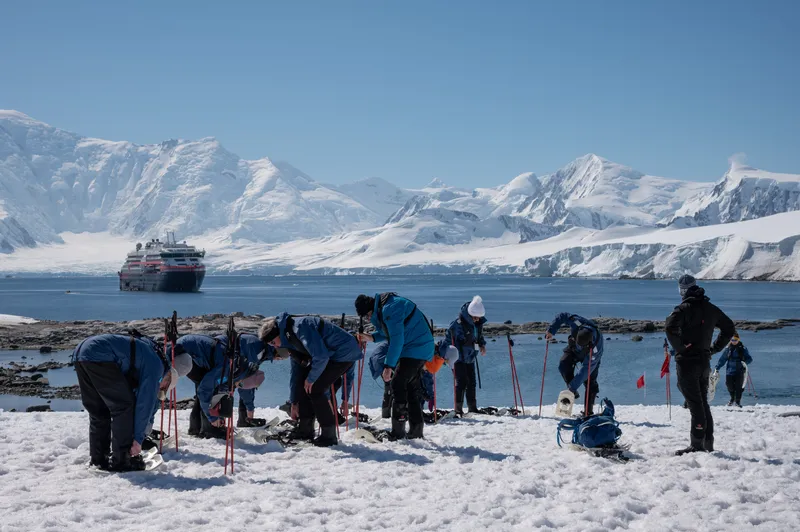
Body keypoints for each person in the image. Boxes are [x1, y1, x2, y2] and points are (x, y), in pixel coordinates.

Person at [73, 333, 192, 471]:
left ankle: (99, 459)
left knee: (99, 412)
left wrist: (140, 433)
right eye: (164, 386)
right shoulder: (156, 368)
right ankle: (122, 460)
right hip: (101, 355)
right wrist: (137, 440)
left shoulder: (153, 358)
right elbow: (144, 405)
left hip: (82, 353)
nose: (161, 388)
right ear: (168, 376)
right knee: (123, 407)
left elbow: (144, 401)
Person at [260, 312, 363, 447]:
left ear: (277, 333)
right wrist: (294, 402)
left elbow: (321, 357)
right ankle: (305, 429)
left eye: (273, 342)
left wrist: (312, 379)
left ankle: (329, 436)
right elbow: (296, 374)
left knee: (316, 389)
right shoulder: (289, 339)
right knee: (307, 386)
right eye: (271, 345)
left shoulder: (300, 327)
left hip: (343, 353)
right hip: (330, 355)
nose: (275, 347)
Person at [666, 274, 735, 455]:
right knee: (702, 402)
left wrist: (680, 348)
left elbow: (669, 328)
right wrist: (714, 349)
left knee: (695, 404)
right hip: (704, 361)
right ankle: (707, 442)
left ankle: (697, 445)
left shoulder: (683, 309)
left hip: (687, 362)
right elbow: (729, 328)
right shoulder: (710, 308)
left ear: (682, 290)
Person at [355, 292, 434, 440]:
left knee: (397, 384)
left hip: (416, 348)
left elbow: (397, 340)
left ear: (370, 310)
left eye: (366, 316)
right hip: (420, 348)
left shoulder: (389, 309)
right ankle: (416, 431)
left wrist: (388, 366)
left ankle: (398, 432)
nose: (367, 319)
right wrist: (372, 337)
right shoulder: (388, 305)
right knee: (410, 388)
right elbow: (392, 331)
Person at [176, 333, 269, 439]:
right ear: (241, 377)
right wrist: (213, 418)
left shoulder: (237, 368)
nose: (238, 386)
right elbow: (205, 390)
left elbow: (222, 391)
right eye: (240, 384)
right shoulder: (227, 368)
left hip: (194, 351)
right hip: (187, 352)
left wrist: (221, 417)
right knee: (207, 391)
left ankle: (196, 428)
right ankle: (209, 429)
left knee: (207, 389)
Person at [545, 313, 604, 416]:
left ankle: (588, 412)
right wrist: (551, 330)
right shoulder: (577, 323)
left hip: (589, 356)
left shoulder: (596, 349)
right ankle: (574, 392)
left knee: (590, 381)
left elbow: (584, 371)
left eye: (581, 345)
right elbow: (562, 316)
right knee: (563, 365)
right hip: (573, 349)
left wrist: (571, 388)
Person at [447, 295, 487, 415]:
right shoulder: (457, 324)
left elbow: (479, 336)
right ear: (470, 314)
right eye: (475, 318)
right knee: (461, 382)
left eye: (479, 318)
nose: (477, 320)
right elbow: (450, 339)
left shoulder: (478, 323)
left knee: (472, 382)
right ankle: (458, 409)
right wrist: (452, 355)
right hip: (458, 358)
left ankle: (472, 408)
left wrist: (482, 345)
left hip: (470, 357)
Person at [715, 333, 752, 408]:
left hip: (740, 370)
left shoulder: (743, 348)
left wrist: (744, 362)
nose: (734, 341)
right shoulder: (728, 349)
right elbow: (723, 359)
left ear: (738, 340)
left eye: (735, 340)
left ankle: (737, 402)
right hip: (730, 370)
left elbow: (749, 359)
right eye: (732, 340)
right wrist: (717, 368)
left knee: (739, 387)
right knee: (729, 385)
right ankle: (732, 399)